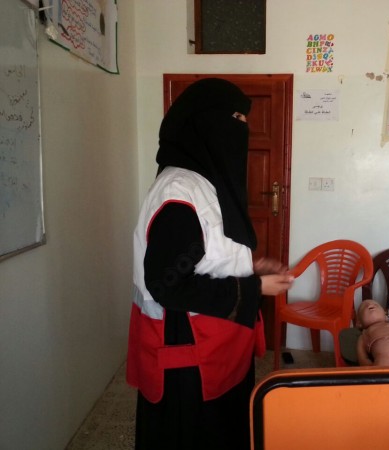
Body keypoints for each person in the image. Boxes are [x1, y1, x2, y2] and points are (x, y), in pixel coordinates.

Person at [126, 78, 294, 450]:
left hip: (214, 350)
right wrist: (256, 288)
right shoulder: (179, 193)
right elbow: (169, 284)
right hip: (187, 361)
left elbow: (203, 253)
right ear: (204, 122)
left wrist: (252, 266)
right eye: (236, 117)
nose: (244, 128)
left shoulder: (203, 184)